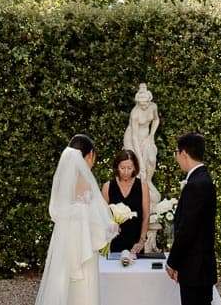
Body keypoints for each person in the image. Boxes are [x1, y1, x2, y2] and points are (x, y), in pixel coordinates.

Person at [35, 134, 118, 305]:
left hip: (65, 246)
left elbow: (57, 212)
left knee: (66, 289)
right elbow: (95, 221)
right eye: (93, 157)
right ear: (90, 155)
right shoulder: (86, 183)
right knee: (85, 291)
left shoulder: (63, 183)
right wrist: (111, 228)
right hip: (83, 247)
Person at [165, 133, 217, 305]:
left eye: (176, 152)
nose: (176, 157)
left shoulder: (196, 185)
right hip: (199, 267)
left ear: (184, 153)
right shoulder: (203, 180)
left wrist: (173, 262)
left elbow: (187, 229)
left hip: (195, 268)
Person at [101, 149, 150, 257]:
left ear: (135, 168)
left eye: (129, 168)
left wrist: (141, 240)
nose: (126, 172)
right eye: (122, 168)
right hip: (113, 243)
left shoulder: (142, 186)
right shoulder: (107, 186)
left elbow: (146, 216)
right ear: (117, 167)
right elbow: (102, 216)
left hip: (136, 245)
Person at [122, 83, 160, 195]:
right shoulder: (135, 114)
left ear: (149, 100)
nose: (143, 106)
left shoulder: (153, 107)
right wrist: (141, 163)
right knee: (137, 166)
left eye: (145, 103)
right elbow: (134, 137)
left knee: (152, 159)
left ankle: (148, 182)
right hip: (133, 138)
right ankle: (138, 189)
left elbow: (156, 120)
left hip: (146, 137)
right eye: (141, 104)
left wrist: (152, 135)